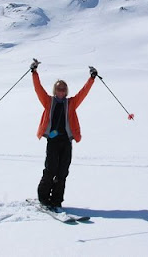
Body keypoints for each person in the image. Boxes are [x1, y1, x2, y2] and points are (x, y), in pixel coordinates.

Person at [30, 60, 97, 209]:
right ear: (55, 90)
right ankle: (43, 197)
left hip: (66, 141)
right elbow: (38, 89)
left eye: (63, 89)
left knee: (63, 172)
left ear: (66, 91)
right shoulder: (48, 101)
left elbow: (83, 92)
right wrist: (34, 72)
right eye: (59, 89)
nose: (61, 91)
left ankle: (57, 200)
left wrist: (92, 78)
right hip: (53, 140)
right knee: (51, 169)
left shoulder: (71, 103)